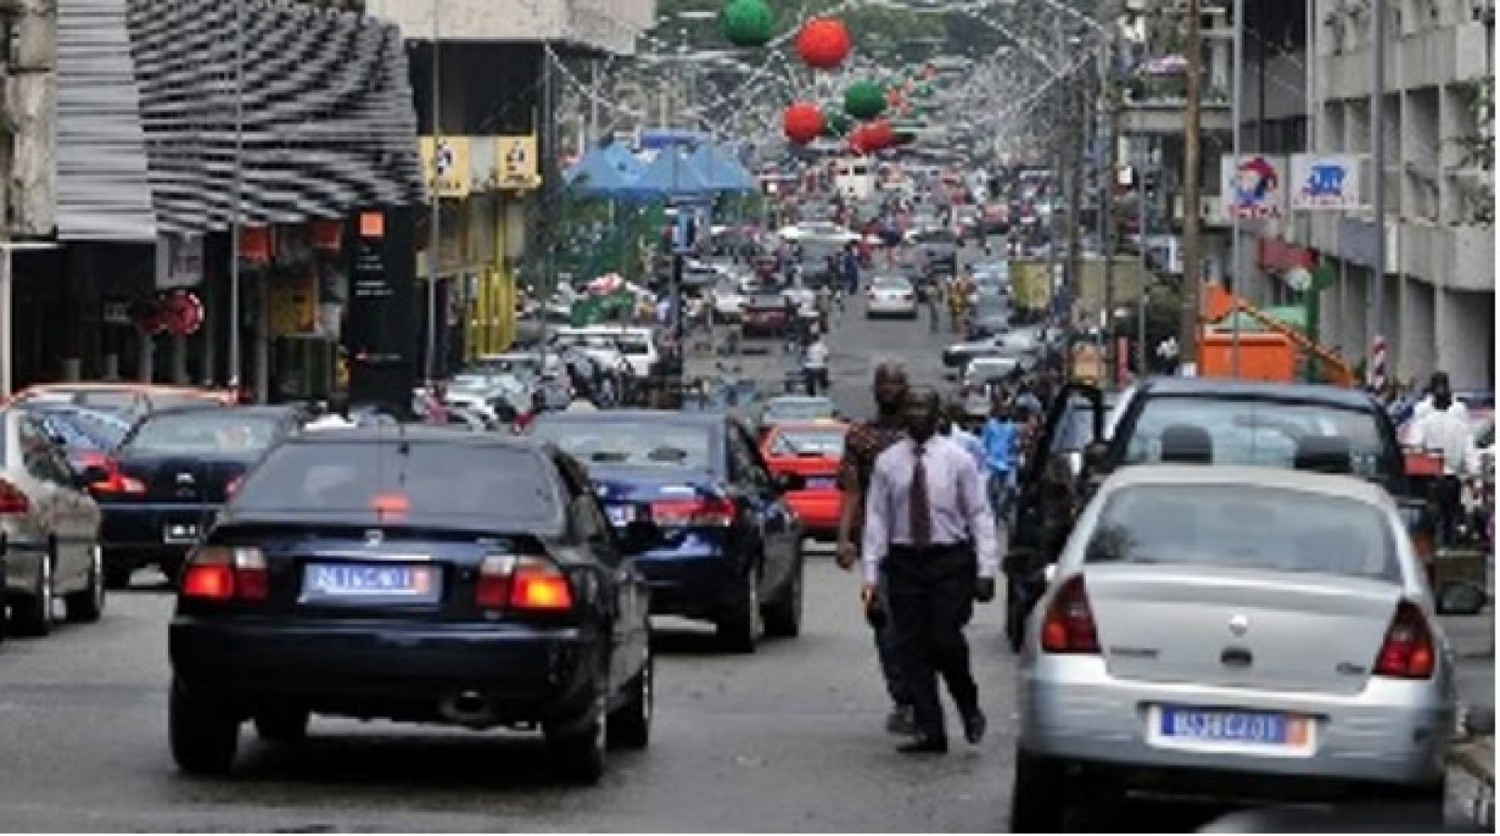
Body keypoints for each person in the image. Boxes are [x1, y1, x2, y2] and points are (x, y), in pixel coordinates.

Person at [861, 387, 999, 754]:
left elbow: (979, 514)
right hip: (905, 562)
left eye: (924, 406)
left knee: (944, 639)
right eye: (911, 407)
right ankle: (930, 729)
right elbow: (876, 520)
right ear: (904, 414)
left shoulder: (958, 460)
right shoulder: (888, 463)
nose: (917, 413)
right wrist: (871, 580)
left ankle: (968, 706)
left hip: (949, 561)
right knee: (912, 648)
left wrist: (987, 569)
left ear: (937, 414)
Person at [836, 361, 915, 735]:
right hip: (877, 543)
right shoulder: (861, 437)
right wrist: (843, 539)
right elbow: (851, 489)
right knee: (883, 620)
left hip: (921, 542)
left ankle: (922, 695)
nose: (890, 389)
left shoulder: (923, 434)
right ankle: (903, 698)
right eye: (884, 383)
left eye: (897, 383)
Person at [1409, 371, 1479, 546]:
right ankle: (1449, 548)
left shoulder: (1424, 422)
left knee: (1433, 521)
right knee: (1451, 519)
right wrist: (1473, 477)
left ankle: (1434, 552)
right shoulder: (1461, 426)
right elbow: (1470, 456)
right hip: (1452, 479)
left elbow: (1414, 447)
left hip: (1431, 479)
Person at [980, 398, 1020, 523]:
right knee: (993, 491)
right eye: (1001, 410)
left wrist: (1015, 455)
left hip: (1007, 463)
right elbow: (984, 443)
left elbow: (1014, 444)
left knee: (1009, 489)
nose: (1004, 412)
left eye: (1006, 410)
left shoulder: (1012, 427)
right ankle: (993, 514)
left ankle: (1000, 511)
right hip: (991, 463)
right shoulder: (990, 425)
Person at [802, 330, 830, 396]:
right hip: (820, 367)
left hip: (810, 367)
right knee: (823, 383)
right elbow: (826, 356)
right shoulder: (822, 346)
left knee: (809, 384)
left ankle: (811, 394)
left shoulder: (808, 346)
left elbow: (804, 356)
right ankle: (824, 391)